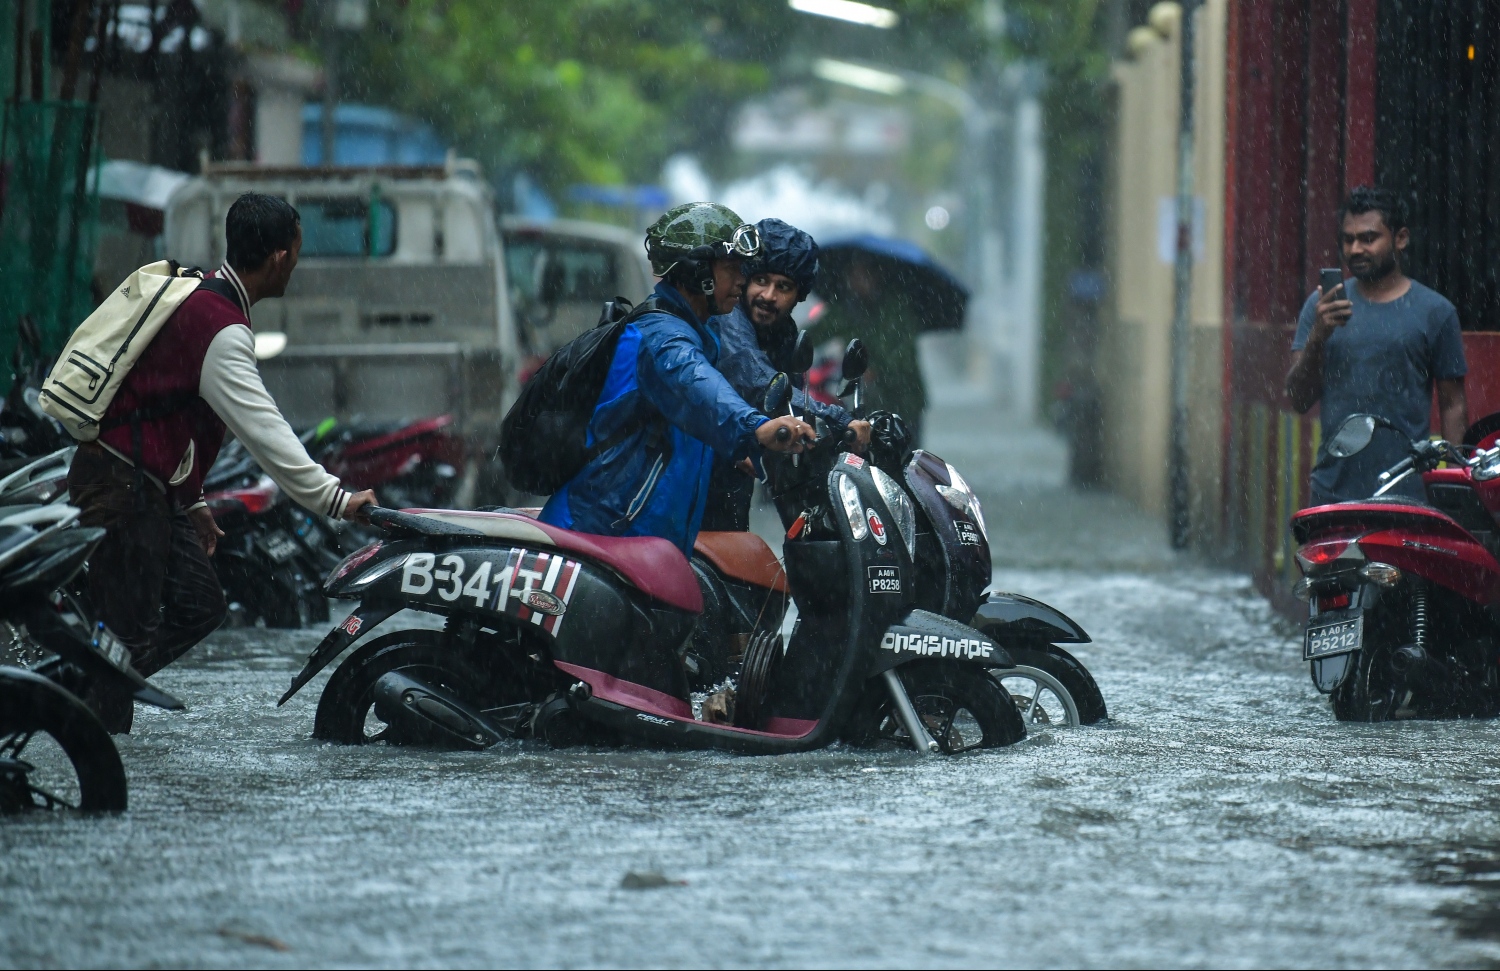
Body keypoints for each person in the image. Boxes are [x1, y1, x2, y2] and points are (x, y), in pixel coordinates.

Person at [68, 192, 378, 732]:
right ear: (281, 256)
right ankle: (89, 727)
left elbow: (175, 411)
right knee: (128, 635)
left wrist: (193, 500)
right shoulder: (221, 327)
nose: (298, 264)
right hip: (124, 483)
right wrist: (337, 500)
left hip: (148, 483)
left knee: (200, 604)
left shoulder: (210, 301)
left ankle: (86, 685)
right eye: (298, 251)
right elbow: (266, 431)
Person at [537, 203, 812, 554]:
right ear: (701, 275)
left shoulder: (700, 332)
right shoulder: (664, 338)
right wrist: (755, 427)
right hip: (600, 537)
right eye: (733, 269)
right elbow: (698, 388)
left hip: (640, 544)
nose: (742, 280)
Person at [1285, 185, 1467, 505]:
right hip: (1332, 493)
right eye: (1348, 239)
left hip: (1407, 496)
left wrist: (1456, 490)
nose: (1355, 249)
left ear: (1400, 239)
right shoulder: (1322, 307)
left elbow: (1452, 405)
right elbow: (1298, 399)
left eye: (1368, 238)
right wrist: (1318, 337)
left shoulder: (1436, 313)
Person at [701, 218, 871, 531]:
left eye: (783, 287)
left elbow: (789, 397)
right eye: (761, 280)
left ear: (799, 295)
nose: (768, 295)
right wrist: (840, 418)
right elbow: (760, 381)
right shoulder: (729, 318)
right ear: (745, 279)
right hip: (689, 465)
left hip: (731, 464)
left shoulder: (782, 332)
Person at [816, 255, 927, 442]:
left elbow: (903, 354)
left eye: (864, 275)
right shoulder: (847, 308)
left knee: (905, 456)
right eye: (853, 275)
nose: (858, 281)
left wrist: (875, 369)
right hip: (868, 401)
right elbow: (817, 332)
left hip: (904, 398)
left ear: (876, 276)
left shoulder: (896, 307)